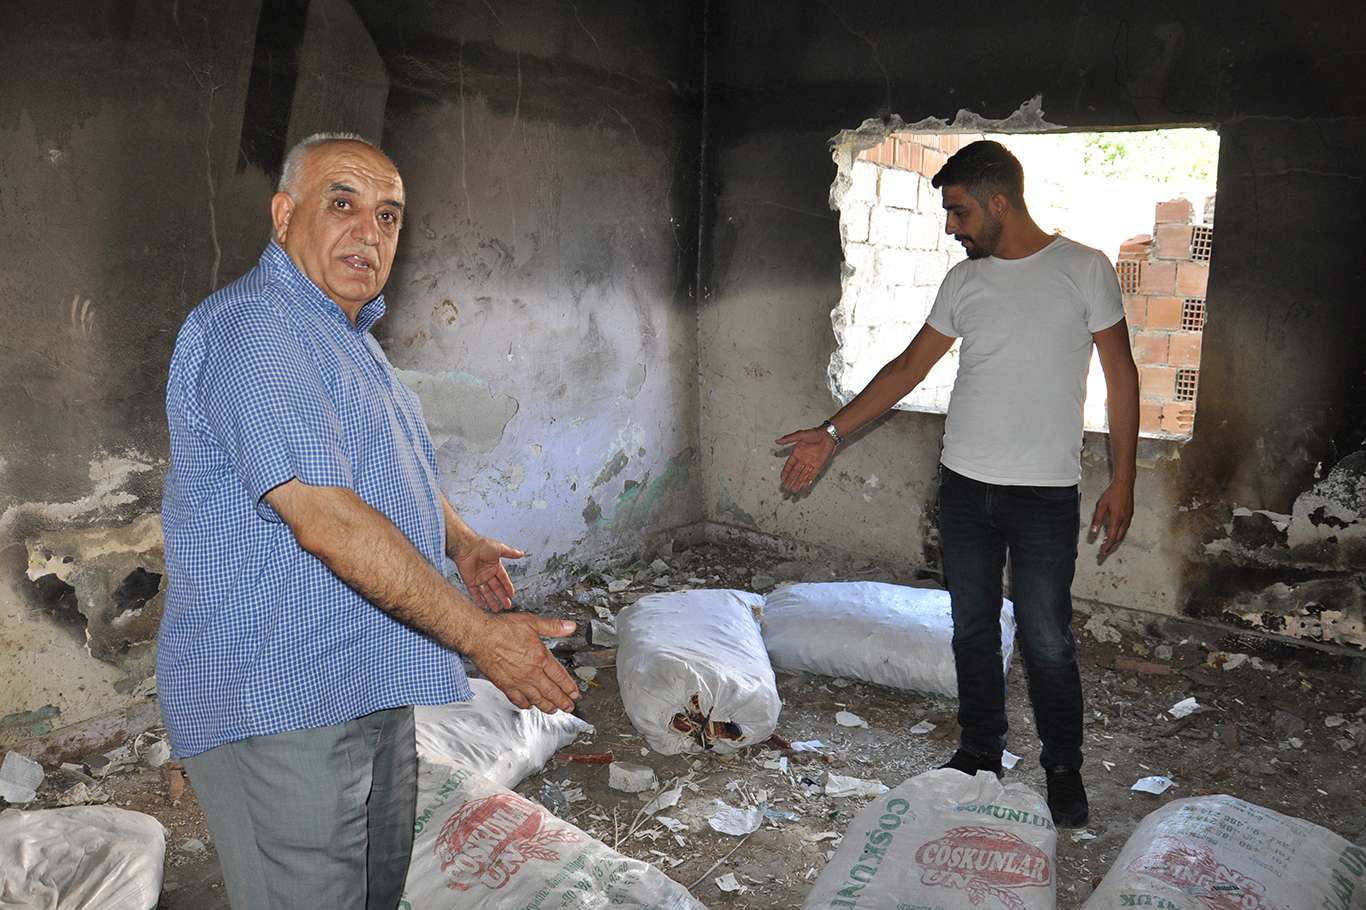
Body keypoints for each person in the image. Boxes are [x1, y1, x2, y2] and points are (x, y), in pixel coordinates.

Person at [158, 132, 581, 909]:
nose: (370, 231)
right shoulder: (255, 331)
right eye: (342, 203)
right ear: (283, 215)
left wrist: (459, 539)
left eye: (388, 216)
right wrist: (484, 638)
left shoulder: (343, 334)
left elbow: (384, 465)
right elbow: (326, 518)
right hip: (279, 694)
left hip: (366, 671)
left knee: (372, 890)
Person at [776, 140, 1138, 828]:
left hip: (1044, 495)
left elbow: (1122, 377)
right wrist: (831, 432)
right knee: (972, 627)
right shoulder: (963, 282)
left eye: (960, 211)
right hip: (966, 489)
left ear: (1000, 202)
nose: (951, 226)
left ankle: (1063, 767)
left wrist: (1124, 480)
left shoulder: (1084, 268)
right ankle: (979, 752)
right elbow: (908, 368)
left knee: (1047, 637)